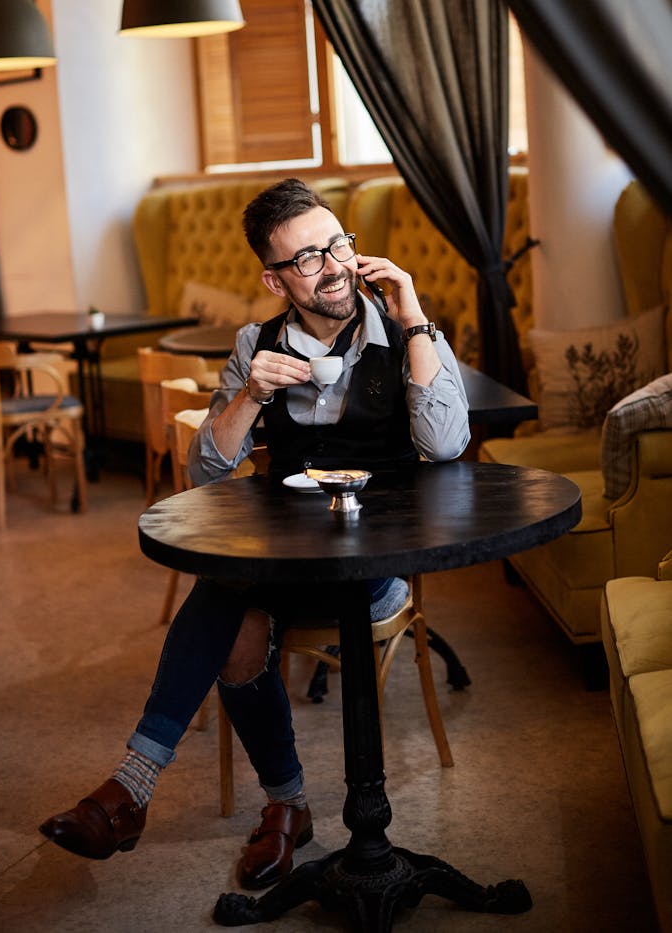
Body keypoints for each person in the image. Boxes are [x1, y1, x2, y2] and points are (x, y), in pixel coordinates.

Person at [39, 178, 470, 890]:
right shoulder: (256, 343)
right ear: (274, 278)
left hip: (377, 562)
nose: (331, 264)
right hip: (286, 561)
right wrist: (252, 394)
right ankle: (286, 806)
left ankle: (132, 785)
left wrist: (413, 311)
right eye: (307, 258)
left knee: (226, 586)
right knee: (236, 624)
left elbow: (448, 443)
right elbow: (204, 473)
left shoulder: (404, 328)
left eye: (338, 244)